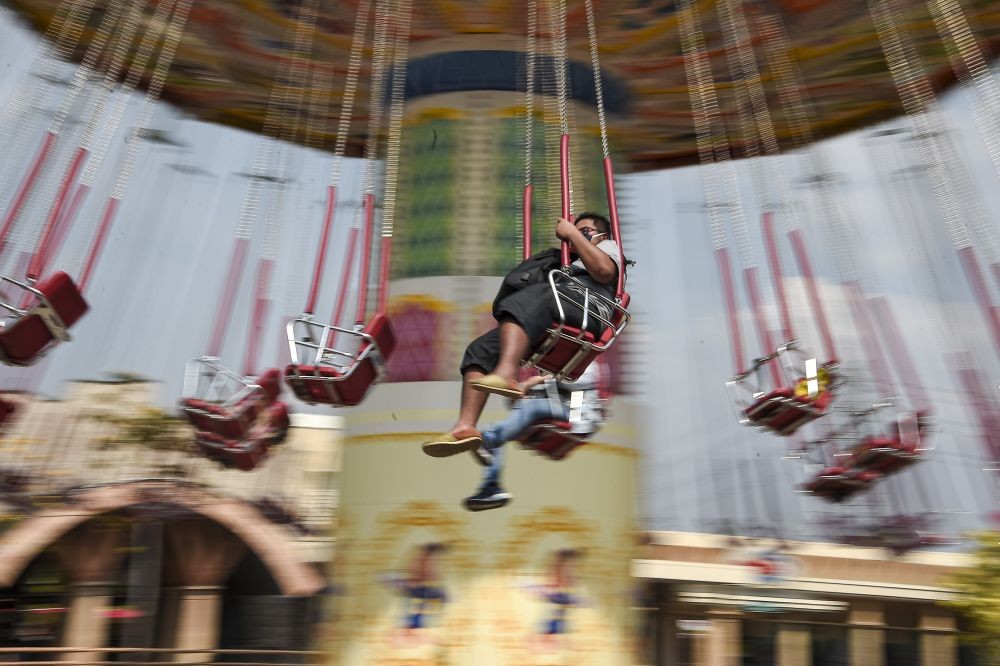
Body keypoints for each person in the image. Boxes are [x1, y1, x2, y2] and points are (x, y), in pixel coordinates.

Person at [421, 212, 623, 456]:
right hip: (559, 320)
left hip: (585, 324)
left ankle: (496, 421)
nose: (576, 237)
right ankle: (466, 426)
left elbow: (603, 271)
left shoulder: (609, 249)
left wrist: (570, 233)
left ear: (602, 236)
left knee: (532, 408)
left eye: (585, 232)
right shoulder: (569, 263)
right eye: (575, 232)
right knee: (480, 350)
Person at [461, 359, 606, 511]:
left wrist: (539, 380)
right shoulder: (545, 364)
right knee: (497, 428)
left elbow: (578, 384)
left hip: (578, 410)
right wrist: (522, 393)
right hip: (557, 405)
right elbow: (519, 403)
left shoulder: (585, 357)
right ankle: (490, 486)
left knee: (529, 409)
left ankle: (489, 441)